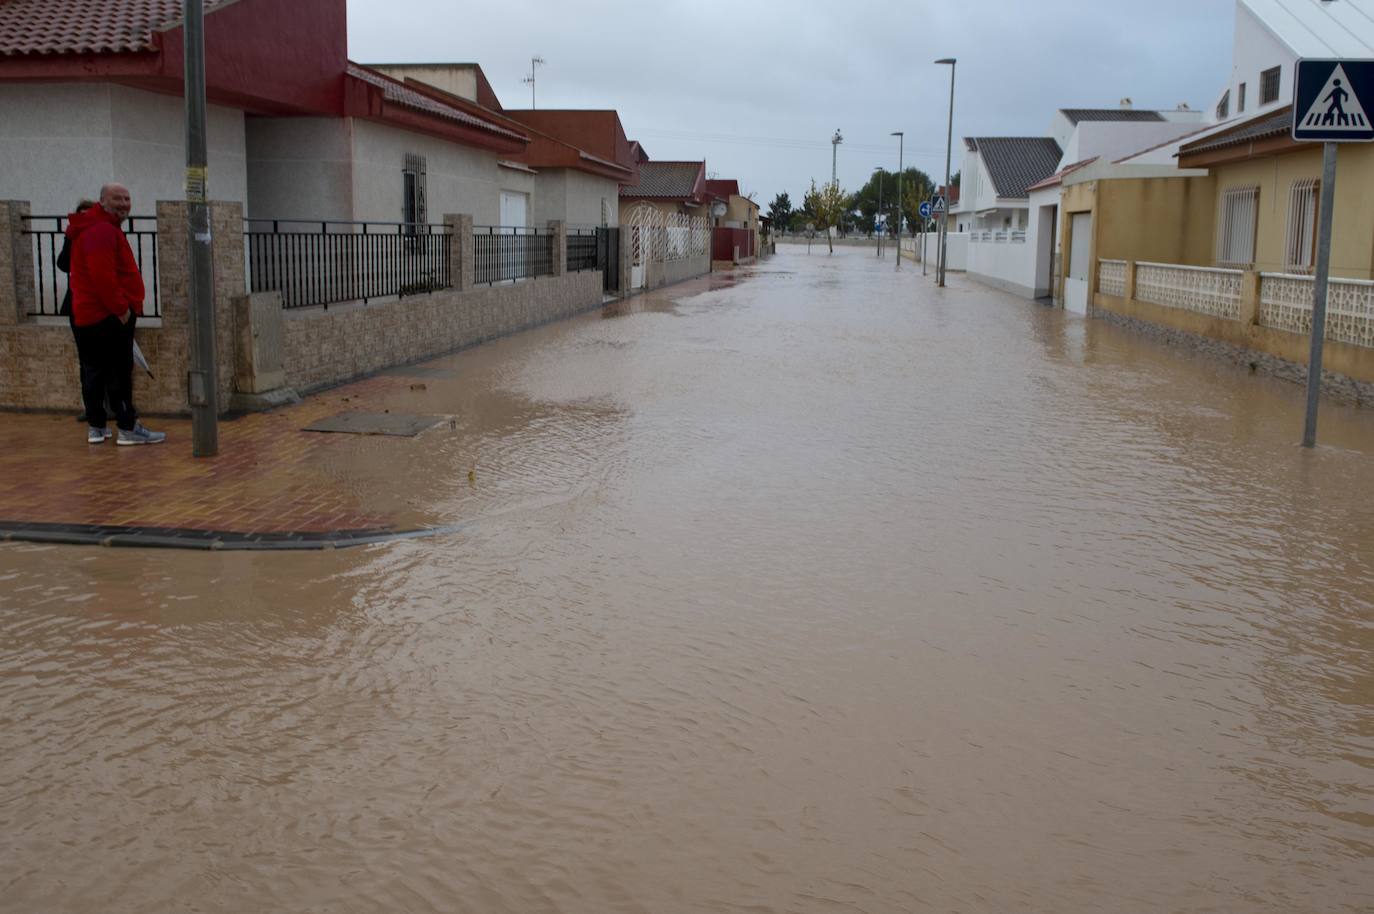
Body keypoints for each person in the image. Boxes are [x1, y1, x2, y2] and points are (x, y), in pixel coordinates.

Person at [66, 183, 165, 445]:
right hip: (107, 316)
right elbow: (103, 277)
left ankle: (97, 427)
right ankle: (128, 427)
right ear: (103, 202)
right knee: (118, 372)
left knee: (93, 370)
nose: (124, 204)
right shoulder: (101, 231)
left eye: (127, 199)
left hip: (88, 315)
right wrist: (122, 309)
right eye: (117, 199)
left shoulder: (91, 227)